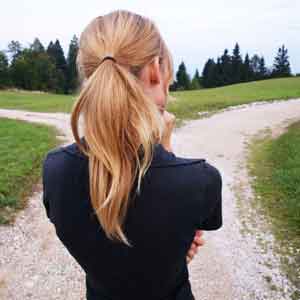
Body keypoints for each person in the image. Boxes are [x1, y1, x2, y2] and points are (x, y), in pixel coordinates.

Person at [42, 9, 222, 300]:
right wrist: (164, 148)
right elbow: (174, 226)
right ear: (154, 68)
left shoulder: (55, 170)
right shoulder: (200, 179)